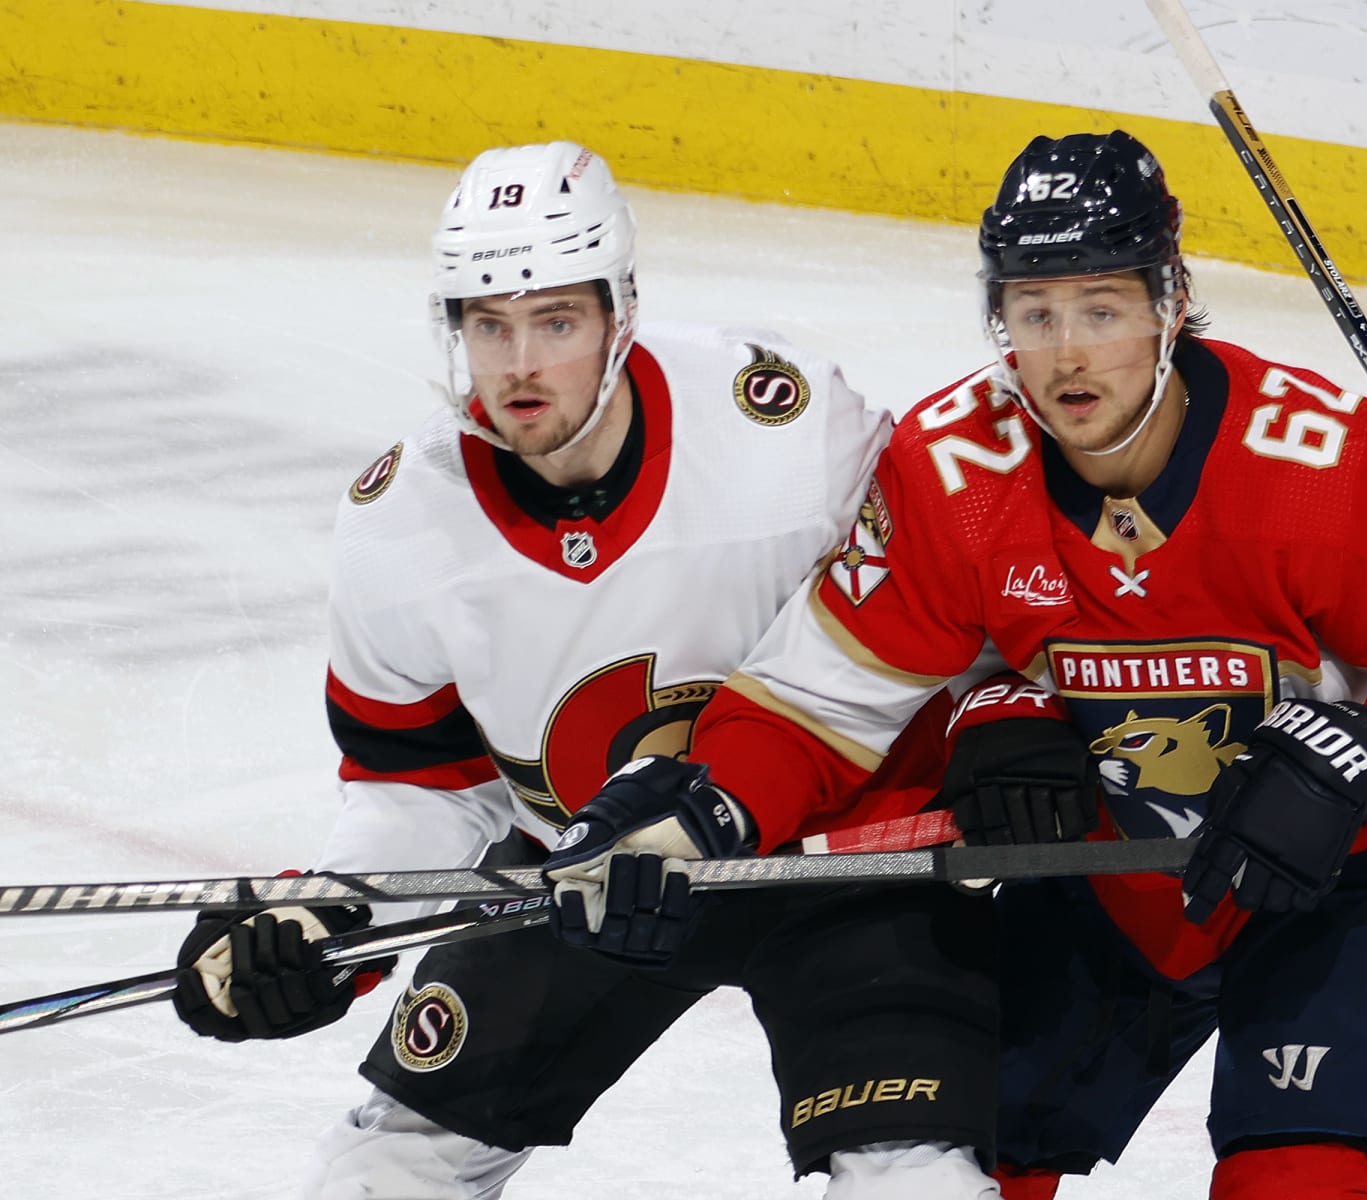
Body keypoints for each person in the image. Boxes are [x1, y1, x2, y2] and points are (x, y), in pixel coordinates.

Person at [542, 129, 1367, 1200]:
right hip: (1104, 873)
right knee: (965, 1169)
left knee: (1300, 1183)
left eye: (1102, 310)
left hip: (1341, 880)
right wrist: (700, 817)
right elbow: (821, 703)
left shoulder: (1321, 467)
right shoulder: (955, 476)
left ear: (1170, 302)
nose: (1069, 354)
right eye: (1033, 315)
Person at [167, 140, 1002, 1199]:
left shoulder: (779, 431)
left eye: (555, 322)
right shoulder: (402, 524)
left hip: (842, 867)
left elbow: (945, 609)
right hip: (586, 878)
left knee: (911, 1184)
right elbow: (420, 789)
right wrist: (324, 922)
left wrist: (1007, 721)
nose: (519, 365)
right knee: (381, 1173)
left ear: (620, 312)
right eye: (489, 325)